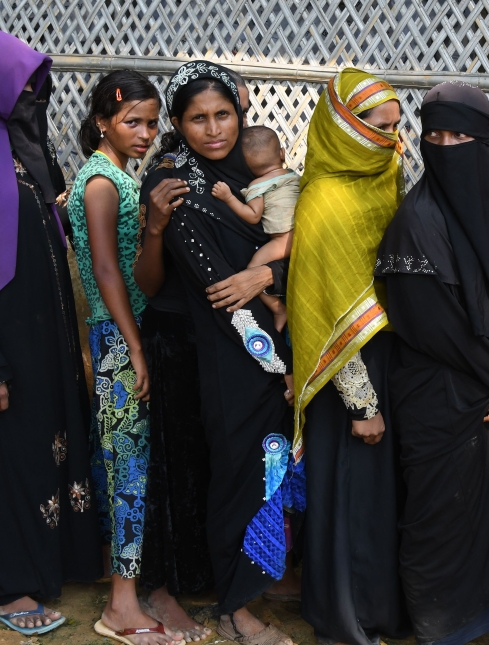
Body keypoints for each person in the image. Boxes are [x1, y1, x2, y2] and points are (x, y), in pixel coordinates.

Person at [138, 60, 297, 645]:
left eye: (223, 114)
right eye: (197, 119)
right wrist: (278, 364)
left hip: (267, 341)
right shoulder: (174, 184)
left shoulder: (256, 171)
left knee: (261, 470)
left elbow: (296, 240)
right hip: (229, 349)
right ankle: (235, 608)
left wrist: (267, 278)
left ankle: (249, 587)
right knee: (237, 471)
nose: (213, 130)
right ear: (178, 123)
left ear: (241, 111)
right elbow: (216, 288)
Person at [374, 81, 489, 645]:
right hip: (437, 391)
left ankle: (486, 611)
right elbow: (436, 329)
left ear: (484, 142)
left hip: (487, 387)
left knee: (487, 504)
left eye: (460, 135)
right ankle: (438, 625)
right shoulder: (416, 222)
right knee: (436, 514)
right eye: (434, 135)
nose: (446, 145)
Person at [289, 68, 409, 645]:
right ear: (341, 127)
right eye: (374, 128)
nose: (390, 141)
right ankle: (347, 617)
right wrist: (363, 404)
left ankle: (377, 610)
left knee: (377, 497)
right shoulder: (325, 200)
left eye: (395, 126)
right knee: (351, 494)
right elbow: (331, 305)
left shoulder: (384, 176)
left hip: (388, 360)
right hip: (348, 374)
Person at [66, 71, 185, 645]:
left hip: (123, 336)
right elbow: (107, 271)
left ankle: (125, 592)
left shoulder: (109, 175)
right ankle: (120, 607)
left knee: (123, 462)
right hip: (118, 340)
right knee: (127, 469)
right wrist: (134, 345)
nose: (145, 133)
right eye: (132, 122)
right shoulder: (101, 184)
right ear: (102, 123)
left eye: (151, 122)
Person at [0, 31, 101, 637]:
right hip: (9, 344)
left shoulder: (28, 151)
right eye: (23, 86)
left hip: (46, 334)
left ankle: (51, 560)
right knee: (13, 454)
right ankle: (12, 584)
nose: (34, 99)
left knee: (49, 442)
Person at [212, 125, 297, 331]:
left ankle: (278, 309)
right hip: (305, 233)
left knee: (252, 270)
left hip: (283, 240)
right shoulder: (294, 175)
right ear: (282, 153)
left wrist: (228, 197)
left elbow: (253, 215)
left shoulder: (257, 185)